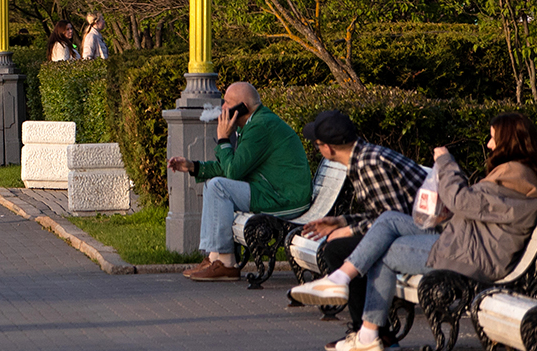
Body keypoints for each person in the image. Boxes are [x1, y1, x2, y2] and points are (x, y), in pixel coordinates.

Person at [289, 114, 537, 351]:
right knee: (388, 221)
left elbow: (461, 201)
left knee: (380, 248)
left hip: (470, 256)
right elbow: (474, 208)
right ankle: (342, 287)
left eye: (493, 137)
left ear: (508, 142)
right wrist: (344, 222)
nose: (488, 144)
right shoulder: (513, 175)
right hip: (463, 242)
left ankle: (363, 326)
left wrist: (446, 163)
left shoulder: (515, 176)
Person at [288, 110, 428, 338]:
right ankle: (369, 332)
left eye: (317, 145)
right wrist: (342, 221)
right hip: (414, 229)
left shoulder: (368, 164)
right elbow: (384, 215)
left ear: (328, 149)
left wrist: (350, 229)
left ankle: (368, 332)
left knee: (338, 249)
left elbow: (393, 218)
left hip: (422, 237)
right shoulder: (364, 157)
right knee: (338, 246)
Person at [168, 82, 313, 281]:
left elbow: (233, 172)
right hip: (271, 191)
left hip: (284, 199)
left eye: (227, 103)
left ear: (242, 107)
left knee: (218, 186)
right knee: (214, 184)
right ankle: (214, 258)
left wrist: (223, 139)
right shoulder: (255, 123)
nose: (222, 108)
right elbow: (233, 167)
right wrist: (194, 166)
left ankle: (226, 263)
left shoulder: (260, 126)